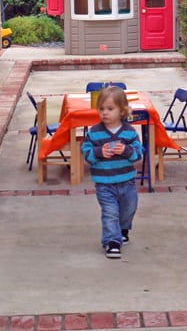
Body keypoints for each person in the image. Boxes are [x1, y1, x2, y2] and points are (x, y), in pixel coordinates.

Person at [81, 85, 143, 258]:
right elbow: (86, 153)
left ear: (122, 111)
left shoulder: (129, 133)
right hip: (104, 183)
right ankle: (111, 241)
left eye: (110, 109)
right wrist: (98, 152)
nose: (105, 113)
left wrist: (126, 150)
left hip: (127, 181)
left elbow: (138, 153)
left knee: (129, 209)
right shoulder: (94, 133)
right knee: (110, 212)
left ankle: (123, 230)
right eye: (101, 109)